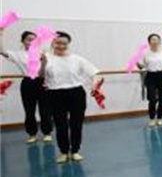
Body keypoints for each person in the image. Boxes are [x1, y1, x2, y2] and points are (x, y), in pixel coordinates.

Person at [39, 32, 101, 163]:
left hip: (76, 93)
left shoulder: (77, 59)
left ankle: (75, 151)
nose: (61, 46)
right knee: (60, 124)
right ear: (53, 43)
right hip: (55, 94)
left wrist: (94, 84)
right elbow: (41, 76)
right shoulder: (46, 57)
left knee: (76, 124)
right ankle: (63, 152)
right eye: (58, 43)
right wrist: (43, 63)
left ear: (68, 44)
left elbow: (95, 73)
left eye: (64, 43)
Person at [0, 29, 53, 144]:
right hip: (28, 83)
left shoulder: (44, 54)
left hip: (43, 82)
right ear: (23, 41)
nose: (32, 42)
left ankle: (47, 133)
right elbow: (1, 50)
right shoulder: (18, 54)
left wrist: (44, 62)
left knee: (45, 110)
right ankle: (32, 134)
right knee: (29, 110)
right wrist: (1, 35)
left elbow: (48, 71)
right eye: (29, 40)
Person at [136, 34, 162, 128]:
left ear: (159, 41)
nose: (155, 41)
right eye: (152, 40)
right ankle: (152, 118)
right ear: (149, 42)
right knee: (152, 99)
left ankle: (160, 118)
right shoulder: (145, 53)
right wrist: (138, 64)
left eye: (156, 39)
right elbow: (142, 66)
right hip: (150, 76)